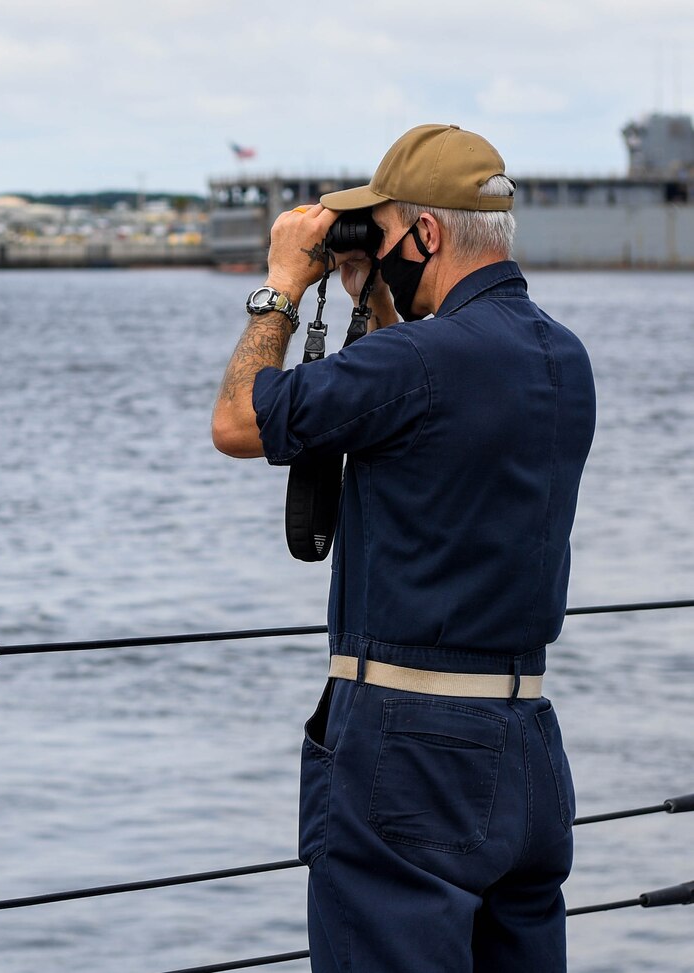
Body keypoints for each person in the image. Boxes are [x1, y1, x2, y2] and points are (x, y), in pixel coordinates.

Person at [210, 124, 596, 972]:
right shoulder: (564, 357)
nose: (375, 253)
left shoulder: (417, 364)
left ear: (425, 234)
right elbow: (428, 406)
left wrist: (281, 286)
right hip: (526, 741)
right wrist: (376, 299)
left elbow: (238, 421)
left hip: (407, 749)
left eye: (380, 235)